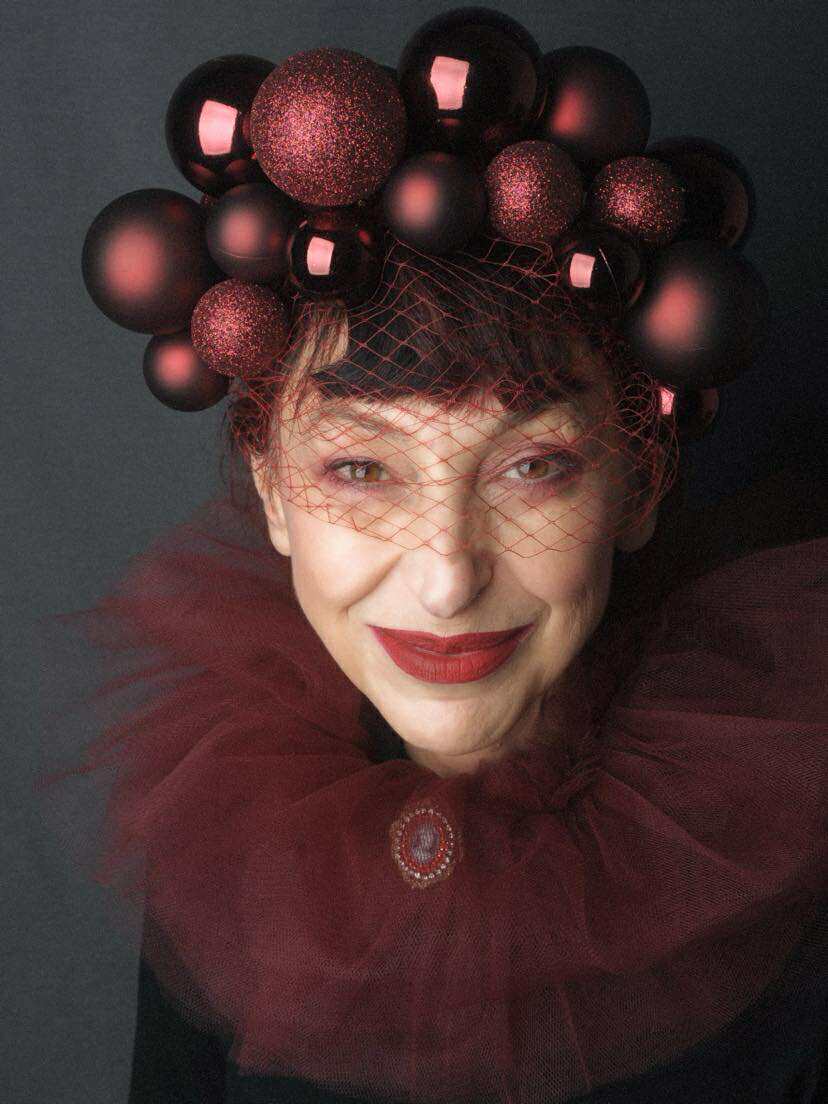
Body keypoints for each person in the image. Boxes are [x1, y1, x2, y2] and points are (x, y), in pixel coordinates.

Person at [42, 11, 827, 1102]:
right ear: (271, 493)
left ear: (638, 483)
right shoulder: (226, 842)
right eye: (362, 470)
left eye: (533, 468)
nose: (449, 577)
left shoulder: (792, 849)